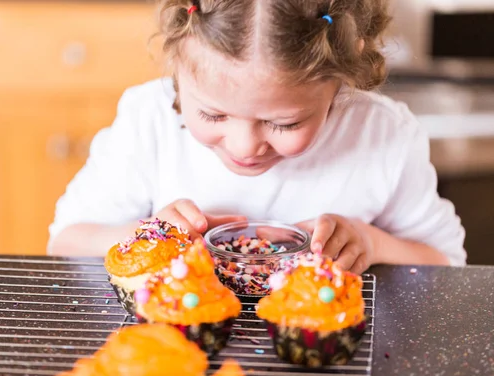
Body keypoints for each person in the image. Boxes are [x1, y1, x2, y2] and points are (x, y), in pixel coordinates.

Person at [47, 0, 467, 273]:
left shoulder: (384, 136)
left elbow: (447, 262)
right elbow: (65, 243)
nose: (244, 146)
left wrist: (371, 243)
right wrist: (150, 237)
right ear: (178, 66)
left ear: (340, 83)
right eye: (212, 114)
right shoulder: (147, 122)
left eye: (283, 124)